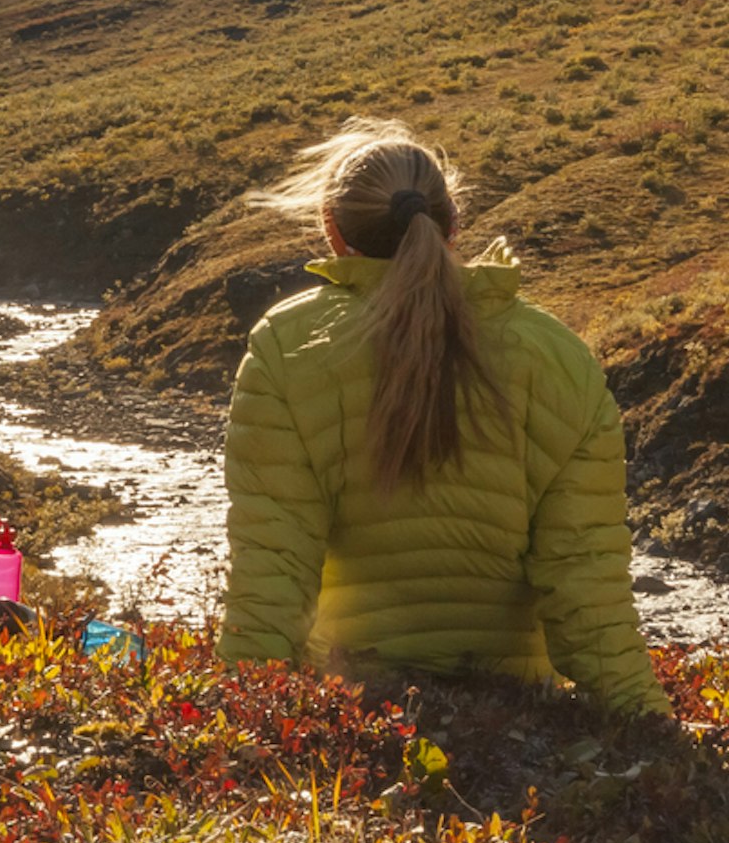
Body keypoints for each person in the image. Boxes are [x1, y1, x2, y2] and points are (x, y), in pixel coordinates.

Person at [221, 119, 668, 716]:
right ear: (452, 223)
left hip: (358, 715)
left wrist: (235, 726)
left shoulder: (287, 347)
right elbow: (586, 583)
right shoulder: (558, 356)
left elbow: (272, 571)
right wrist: (650, 723)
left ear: (332, 231)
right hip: (516, 713)